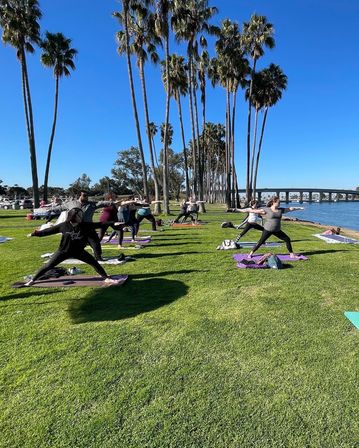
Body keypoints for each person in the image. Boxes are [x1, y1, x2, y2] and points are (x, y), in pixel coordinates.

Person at [24, 208, 124, 287]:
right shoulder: (64, 226)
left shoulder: (84, 225)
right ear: (73, 216)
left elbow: (99, 224)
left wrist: (112, 223)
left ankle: (106, 277)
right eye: (79, 215)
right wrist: (35, 234)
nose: (81, 216)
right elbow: (48, 231)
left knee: (94, 262)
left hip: (79, 251)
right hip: (63, 251)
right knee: (48, 266)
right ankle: (32, 280)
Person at [50, 191, 116, 260]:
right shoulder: (71, 203)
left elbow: (101, 203)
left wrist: (112, 203)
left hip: (88, 227)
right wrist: (50, 209)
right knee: (69, 245)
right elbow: (60, 207)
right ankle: (60, 256)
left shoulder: (91, 204)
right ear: (79, 196)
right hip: (76, 228)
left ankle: (98, 257)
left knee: (95, 243)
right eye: (84, 195)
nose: (86, 197)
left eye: (87, 195)